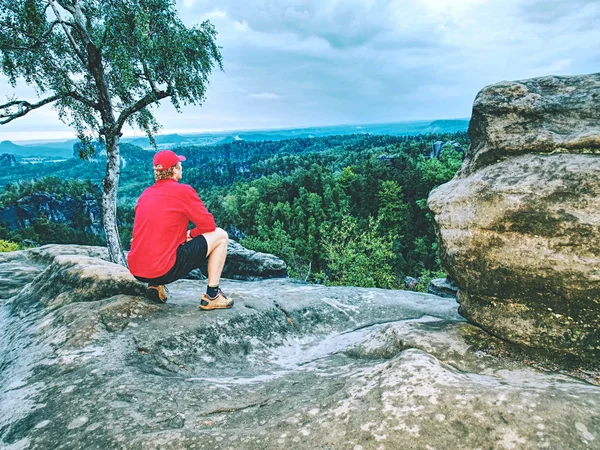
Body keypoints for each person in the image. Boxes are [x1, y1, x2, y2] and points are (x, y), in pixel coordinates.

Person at [127, 150, 233, 310]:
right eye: (179, 165)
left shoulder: (145, 194)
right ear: (174, 170)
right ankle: (213, 295)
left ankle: (154, 286)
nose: (181, 167)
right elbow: (209, 226)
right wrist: (190, 234)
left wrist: (185, 237)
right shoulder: (183, 191)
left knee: (157, 240)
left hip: (137, 269)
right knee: (221, 235)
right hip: (164, 269)